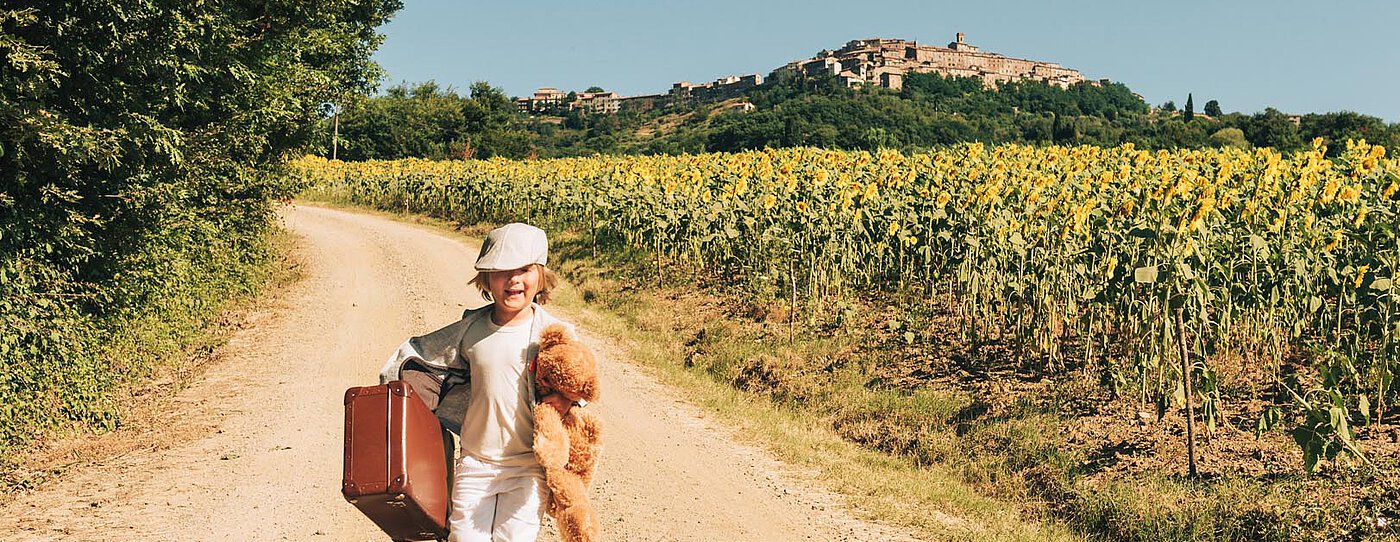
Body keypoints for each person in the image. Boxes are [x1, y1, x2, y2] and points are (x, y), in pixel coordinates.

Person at [379, 222, 584, 542]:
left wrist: (568, 401)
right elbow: (419, 356)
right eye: (502, 270)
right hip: (476, 462)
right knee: (464, 537)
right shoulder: (470, 331)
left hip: (528, 467)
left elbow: (580, 378)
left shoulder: (554, 333)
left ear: (540, 274)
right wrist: (394, 393)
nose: (514, 279)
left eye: (524, 269)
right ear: (486, 278)